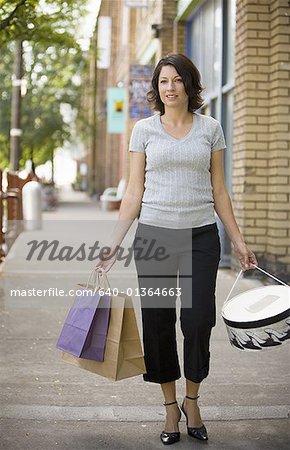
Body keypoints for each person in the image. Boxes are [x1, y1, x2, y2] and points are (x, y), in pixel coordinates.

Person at [95, 53, 257, 445]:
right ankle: (170, 407)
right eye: (163, 81)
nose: (169, 87)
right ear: (157, 87)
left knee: (198, 319)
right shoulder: (144, 131)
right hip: (154, 239)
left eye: (176, 80)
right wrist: (113, 244)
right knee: (158, 323)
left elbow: (219, 190)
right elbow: (134, 192)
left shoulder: (211, 129)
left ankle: (192, 399)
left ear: (189, 84)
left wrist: (237, 239)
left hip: (200, 237)